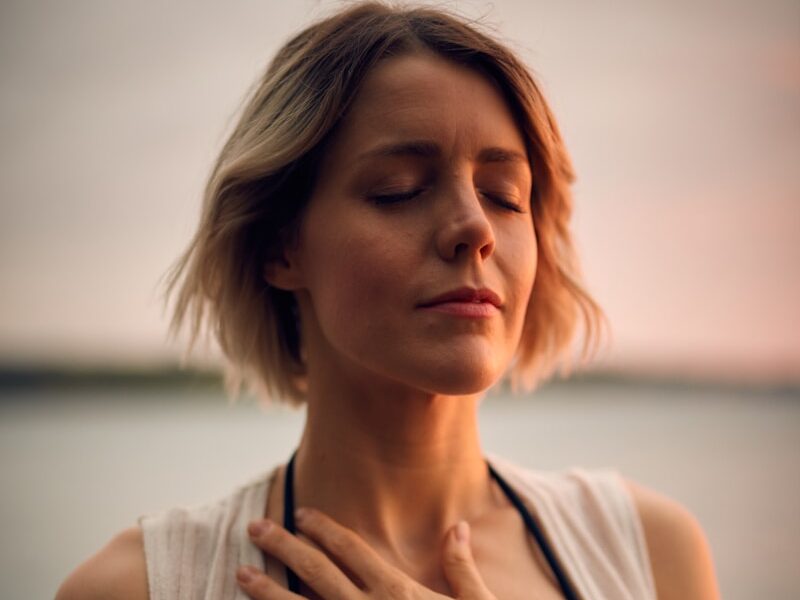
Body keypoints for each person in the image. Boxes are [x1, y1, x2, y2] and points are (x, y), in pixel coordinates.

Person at [57, 2, 720, 599]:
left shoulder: (650, 556)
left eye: (504, 195)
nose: (475, 228)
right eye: (398, 189)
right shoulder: (142, 588)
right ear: (280, 248)